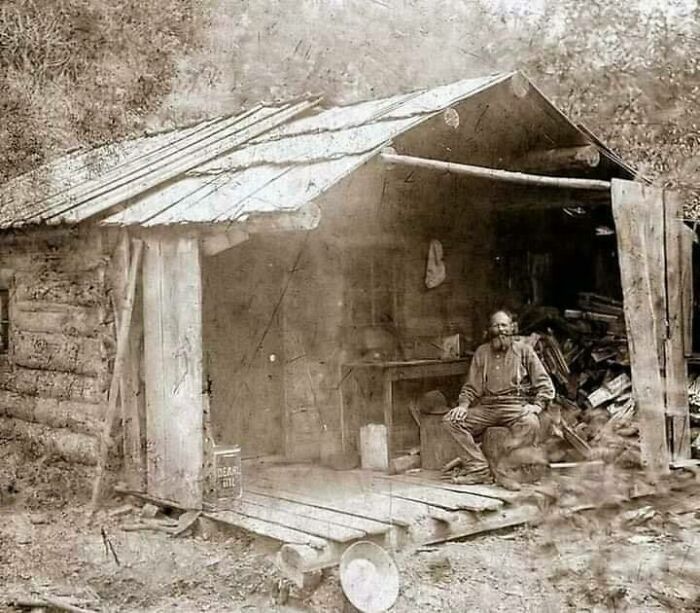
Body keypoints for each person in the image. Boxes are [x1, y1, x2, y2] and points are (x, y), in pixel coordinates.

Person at [442, 310, 555, 490]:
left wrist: (537, 405)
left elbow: (544, 383)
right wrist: (463, 406)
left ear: (512, 328)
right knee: (451, 421)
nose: (499, 329)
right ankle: (478, 468)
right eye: (495, 325)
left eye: (503, 325)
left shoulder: (524, 350)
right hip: (487, 407)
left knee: (531, 423)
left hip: (515, 405)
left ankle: (506, 473)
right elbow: (472, 386)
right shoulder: (481, 352)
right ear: (490, 329)